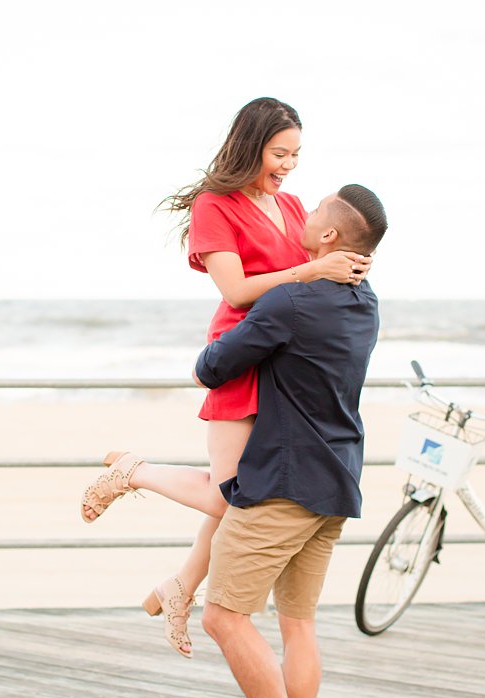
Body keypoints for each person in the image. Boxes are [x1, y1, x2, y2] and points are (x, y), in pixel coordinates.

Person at [80, 97, 371, 657]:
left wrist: (351, 264)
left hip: (285, 365)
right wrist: (313, 269)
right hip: (240, 355)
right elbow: (237, 291)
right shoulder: (216, 205)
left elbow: (322, 262)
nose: (287, 166)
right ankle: (132, 472)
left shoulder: (292, 204)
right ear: (251, 144)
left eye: (296, 155)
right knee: (238, 496)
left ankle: (181, 585)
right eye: (278, 153)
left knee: (247, 493)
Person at [192, 184, 387, 698]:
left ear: (329, 238)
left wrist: (259, 305)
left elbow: (212, 367)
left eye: (318, 209)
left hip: (282, 483)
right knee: (297, 624)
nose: (303, 211)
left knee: (223, 616)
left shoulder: (291, 300)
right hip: (336, 480)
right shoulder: (366, 301)